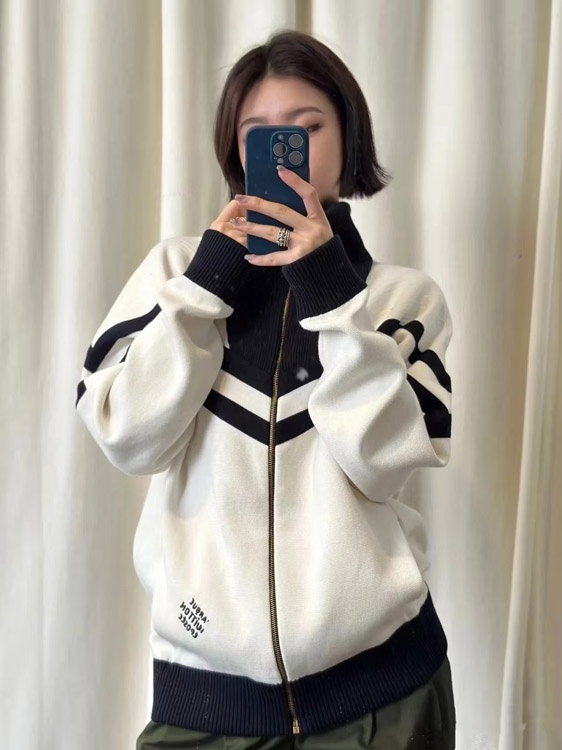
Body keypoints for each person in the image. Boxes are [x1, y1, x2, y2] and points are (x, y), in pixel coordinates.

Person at [76, 29, 456, 750]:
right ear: (234, 148)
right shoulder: (175, 276)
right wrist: (208, 284)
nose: (285, 152)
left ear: (348, 136)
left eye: (307, 128)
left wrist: (328, 291)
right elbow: (127, 437)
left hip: (384, 695)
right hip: (204, 700)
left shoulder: (402, 299)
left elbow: (382, 464)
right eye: (261, 134)